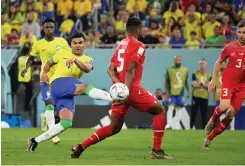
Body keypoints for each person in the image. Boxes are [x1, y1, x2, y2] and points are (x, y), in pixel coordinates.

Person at [70, 17, 173, 160]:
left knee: (114, 127)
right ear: (138, 29)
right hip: (132, 90)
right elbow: (131, 69)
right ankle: (157, 151)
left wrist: (119, 88)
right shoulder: (140, 45)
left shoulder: (120, 45)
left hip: (118, 91)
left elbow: (110, 70)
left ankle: (81, 147)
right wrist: (126, 90)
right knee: (160, 110)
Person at [27, 33, 113, 152]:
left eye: (80, 43)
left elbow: (87, 68)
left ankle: (34, 141)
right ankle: (113, 98)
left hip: (67, 92)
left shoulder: (87, 59)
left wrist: (76, 60)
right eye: (75, 43)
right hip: (58, 84)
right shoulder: (62, 53)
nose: (77, 45)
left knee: (66, 123)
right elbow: (48, 63)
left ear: (84, 44)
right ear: (71, 44)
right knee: (85, 87)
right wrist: (44, 73)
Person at [204, 22, 245, 149]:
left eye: (244, 32)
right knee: (224, 106)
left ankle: (209, 139)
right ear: (236, 33)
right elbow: (218, 62)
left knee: (230, 115)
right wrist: (213, 80)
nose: (241, 35)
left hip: (242, 86)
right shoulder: (229, 47)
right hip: (229, 81)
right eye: (239, 32)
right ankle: (213, 119)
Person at [21, 18, 70, 144]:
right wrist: (26, 68)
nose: (49, 29)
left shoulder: (62, 42)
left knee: (57, 107)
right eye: (47, 27)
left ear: (54, 29)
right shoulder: (38, 44)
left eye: (51, 27)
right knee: (49, 104)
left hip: (59, 79)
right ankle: (53, 135)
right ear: (43, 29)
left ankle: (45, 118)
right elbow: (31, 57)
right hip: (45, 78)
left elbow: (70, 56)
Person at [165, 56, 190, 130]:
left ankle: (176, 125)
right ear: (174, 61)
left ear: (181, 61)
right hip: (172, 92)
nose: (177, 61)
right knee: (170, 107)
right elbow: (166, 81)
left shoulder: (185, 70)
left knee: (178, 108)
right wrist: (167, 91)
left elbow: (185, 81)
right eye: (176, 60)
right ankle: (168, 124)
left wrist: (188, 91)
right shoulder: (169, 69)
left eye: (179, 60)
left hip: (180, 92)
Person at [213, 62, 235, 130]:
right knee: (221, 113)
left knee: (230, 112)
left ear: (226, 65)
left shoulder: (230, 74)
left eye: (224, 64)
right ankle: (222, 128)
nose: (222, 66)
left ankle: (232, 128)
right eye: (221, 64)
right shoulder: (216, 74)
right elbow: (214, 87)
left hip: (228, 96)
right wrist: (214, 97)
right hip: (219, 97)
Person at [190, 59, 211, 129]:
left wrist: (200, 84)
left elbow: (209, 86)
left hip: (204, 97)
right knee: (193, 113)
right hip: (196, 96)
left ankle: (204, 128)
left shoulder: (209, 75)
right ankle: (191, 127)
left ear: (206, 65)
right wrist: (204, 85)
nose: (202, 65)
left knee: (204, 115)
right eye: (201, 64)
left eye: (203, 63)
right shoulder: (195, 74)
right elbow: (194, 84)